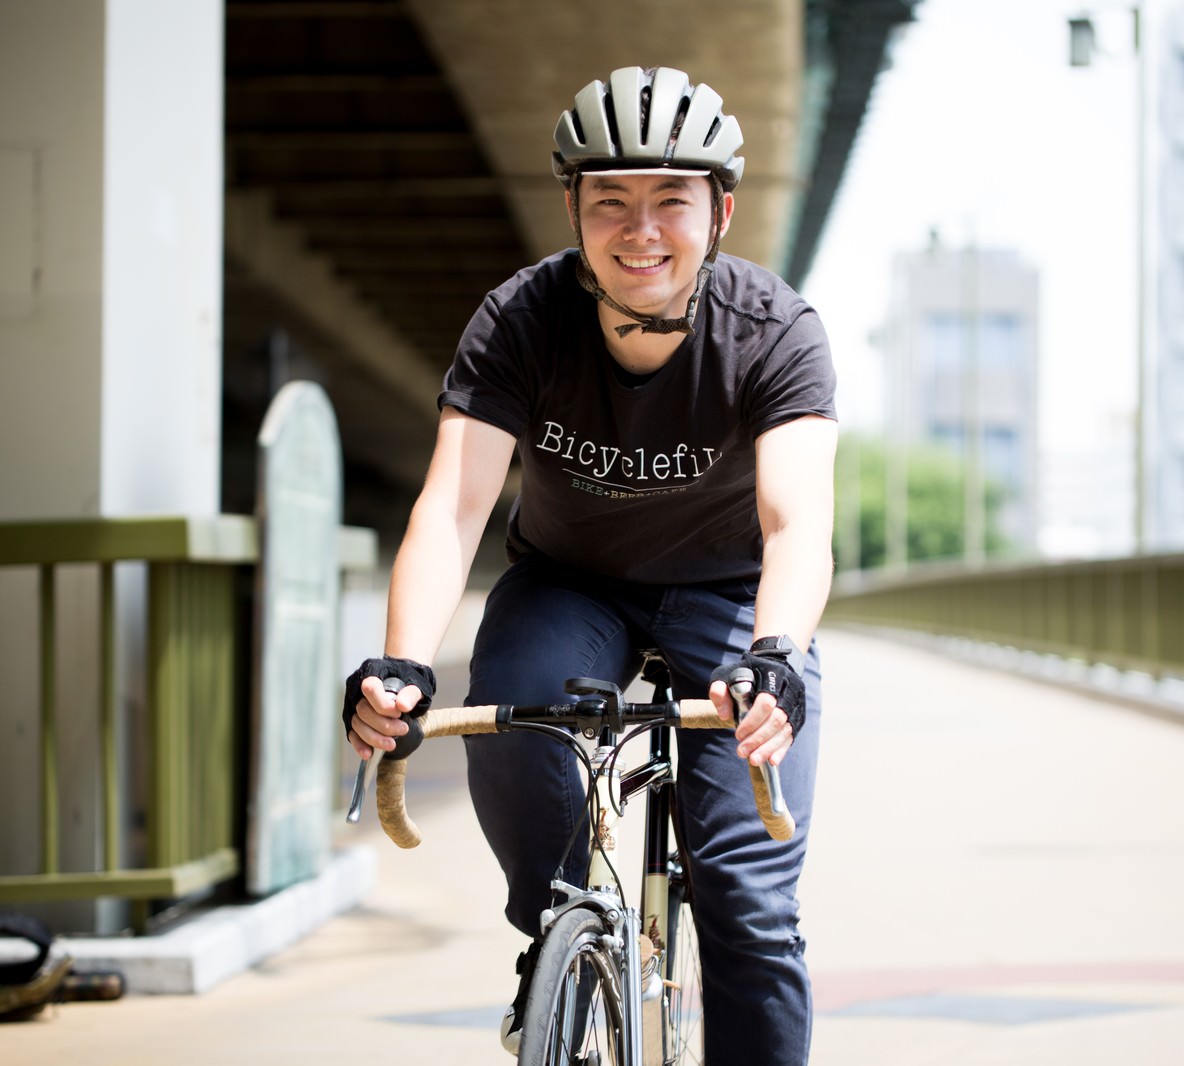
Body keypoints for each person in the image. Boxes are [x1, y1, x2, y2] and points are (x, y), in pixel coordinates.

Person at [340, 66, 836, 1065]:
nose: (639, 229)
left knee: (749, 904)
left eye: (671, 199)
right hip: (571, 584)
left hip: (733, 598)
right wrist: (402, 663)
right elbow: (455, 505)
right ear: (572, 208)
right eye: (610, 199)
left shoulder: (775, 331)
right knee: (513, 721)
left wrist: (777, 654)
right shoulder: (521, 319)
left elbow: (795, 523)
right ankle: (561, 941)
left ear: (720, 212)